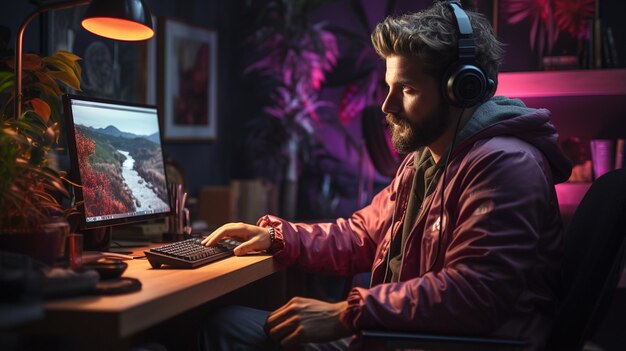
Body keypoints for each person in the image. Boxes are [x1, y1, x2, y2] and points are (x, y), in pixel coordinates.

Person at [199, 1, 572, 350]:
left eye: (407, 89)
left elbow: (476, 293)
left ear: (462, 89)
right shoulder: (425, 159)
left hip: (442, 342)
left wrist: (349, 314)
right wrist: (277, 236)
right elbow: (362, 235)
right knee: (228, 323)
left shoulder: (504, 165)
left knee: (227, 328)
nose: (387, 105)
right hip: (400, 334)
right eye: (389, 86)